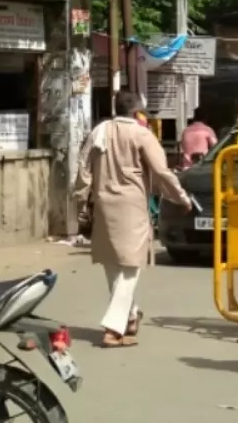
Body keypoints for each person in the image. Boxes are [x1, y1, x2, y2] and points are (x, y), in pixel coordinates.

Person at [73, 90, 192, 348]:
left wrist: (81, 202)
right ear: (137, 111)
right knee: (130, 268)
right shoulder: (142, 134)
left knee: (113, 265)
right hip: (131, 207)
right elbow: (162, 172)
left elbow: (83, 170)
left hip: (103, 204)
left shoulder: (99, 131)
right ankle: (113, 329)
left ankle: (130, 315)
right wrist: (181, 198)